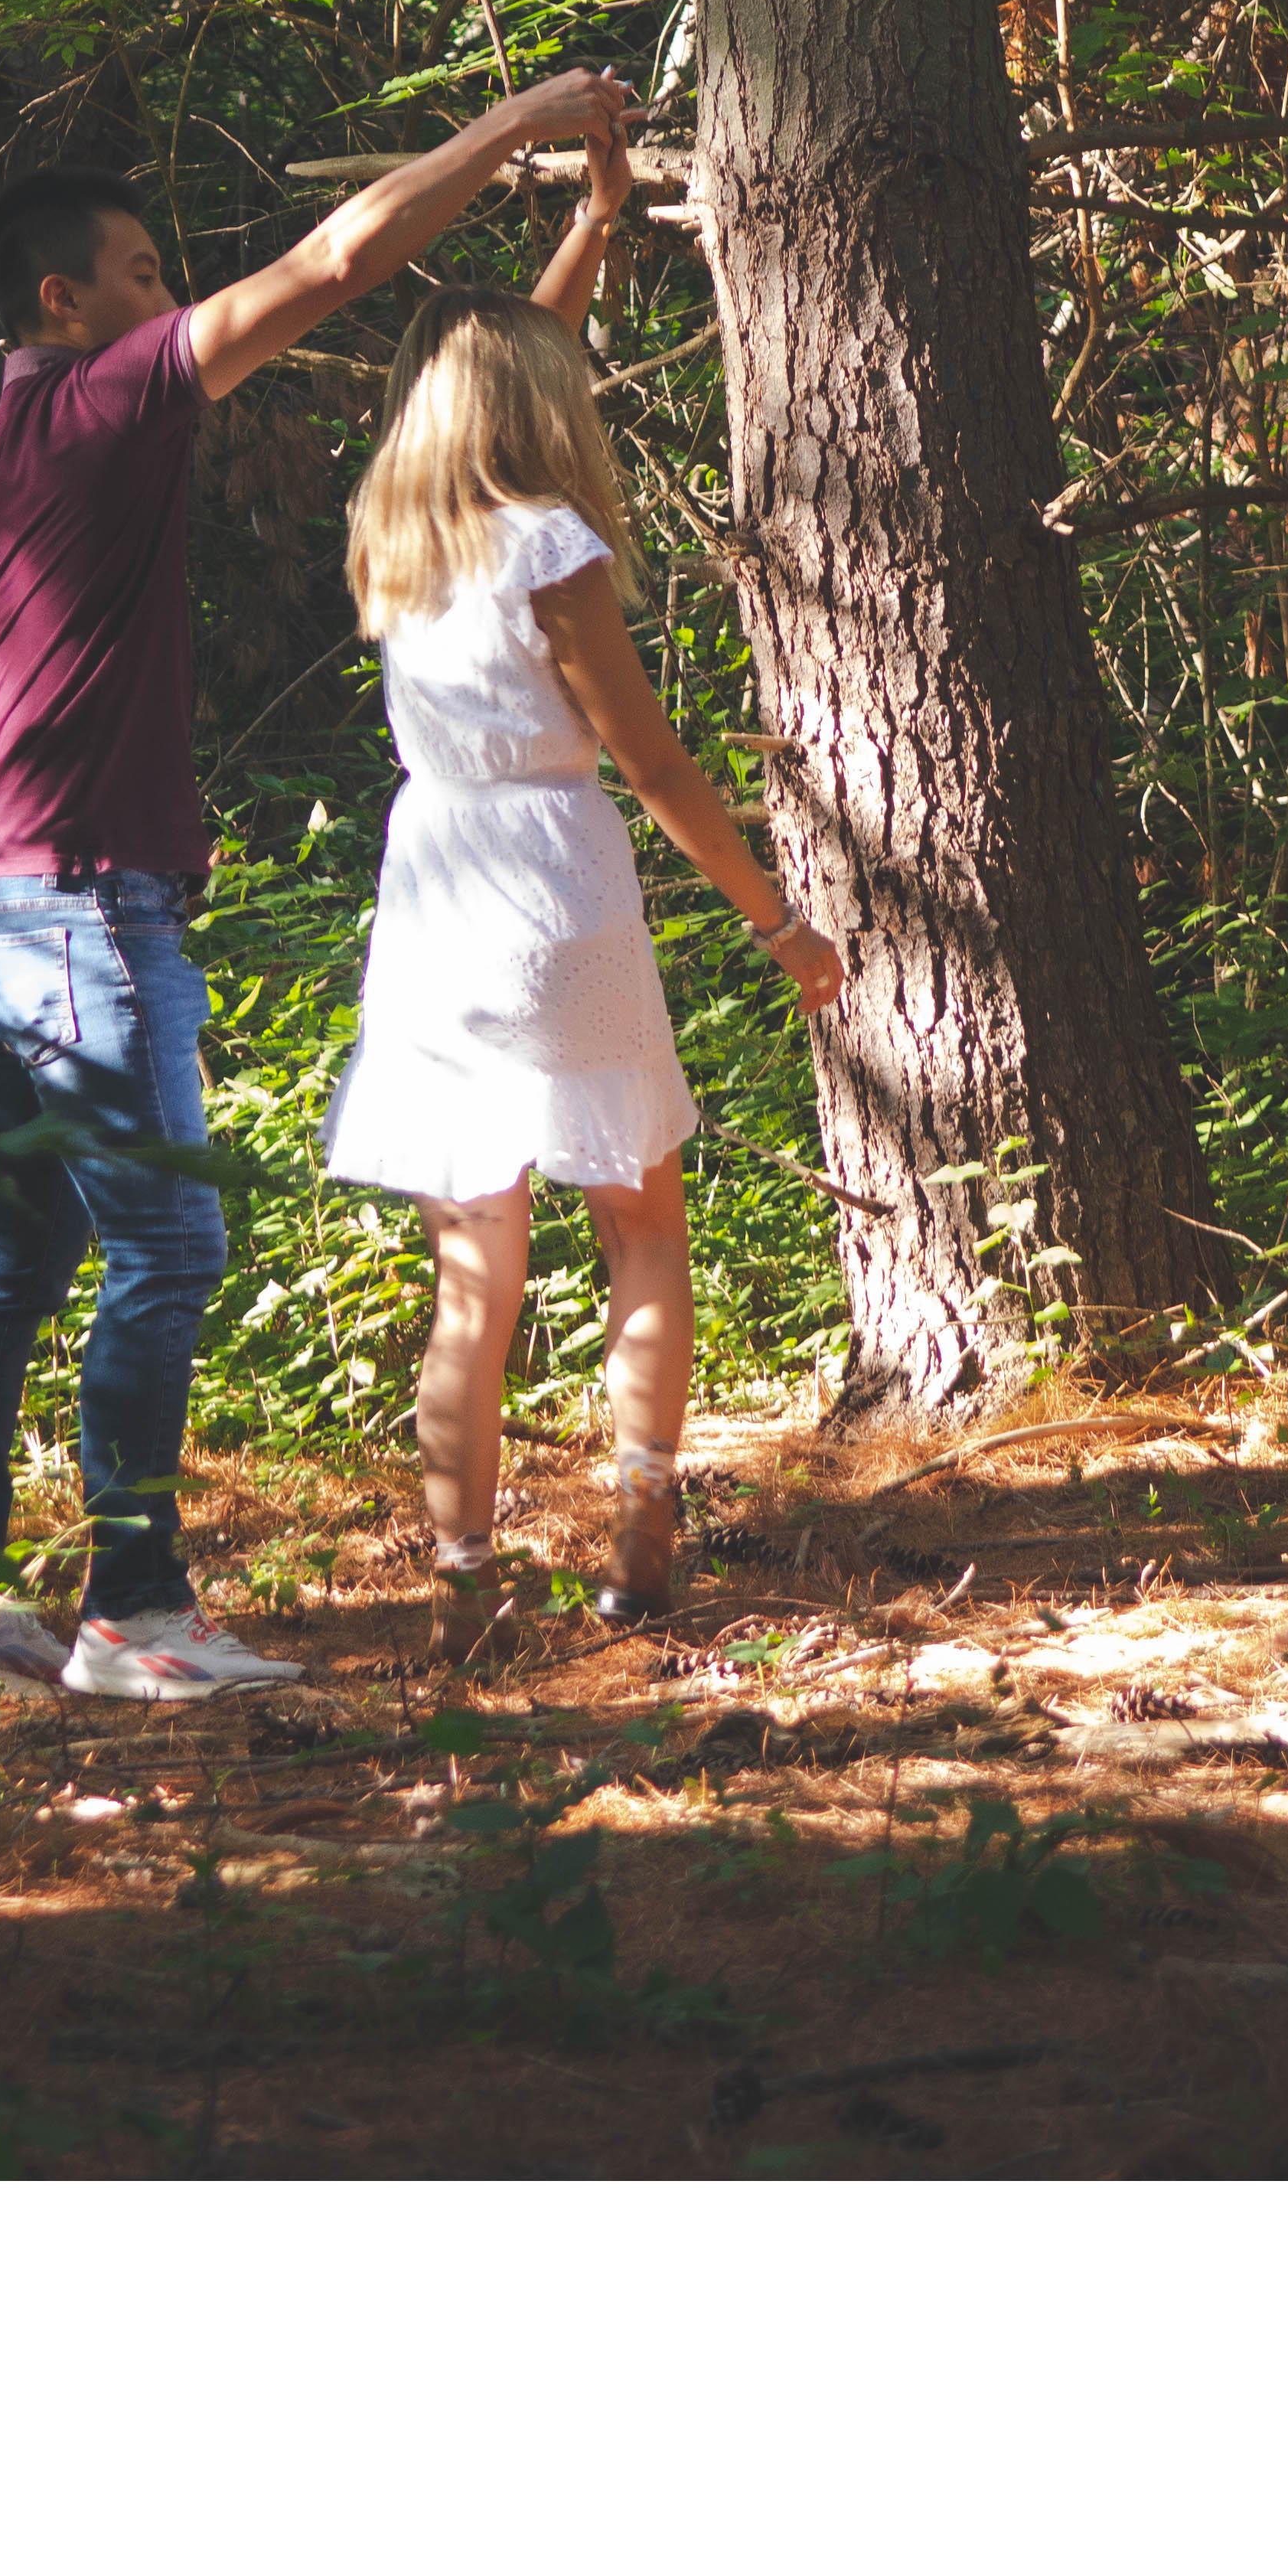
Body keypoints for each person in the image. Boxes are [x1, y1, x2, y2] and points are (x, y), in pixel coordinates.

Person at [0, 65, 634, 1704]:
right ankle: (129, 1609)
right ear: (61, 298)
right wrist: (510, 126)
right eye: (149, 274)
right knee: (169, 1241)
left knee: (11, 1260)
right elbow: (338, 265)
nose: (174, 301)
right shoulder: (107, 401)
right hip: (85, 909)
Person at [319, 122, 846, 1628]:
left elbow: (514, 361)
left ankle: (461, 1580)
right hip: (552, 883)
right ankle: (639, 1526)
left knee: (471, 1275)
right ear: (526, 408)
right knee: (640, 1225)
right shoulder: (547, 541)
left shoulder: (395, 535)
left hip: (430, 890)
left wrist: (602, 217)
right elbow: (656, 762)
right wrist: (776, 917)